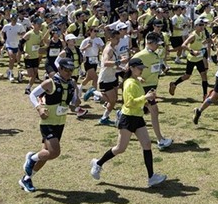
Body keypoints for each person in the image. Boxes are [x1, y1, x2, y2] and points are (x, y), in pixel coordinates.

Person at [90, 57, 167, 188]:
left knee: (147, 144)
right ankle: (98, 164)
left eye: (142, 68)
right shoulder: (130, 83)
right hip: (128, 118)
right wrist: (145, 97)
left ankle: (151, 177)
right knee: (120, 148)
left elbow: (137, 99)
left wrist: (147, 98)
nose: (141, 71)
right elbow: (129, 102)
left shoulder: (135, 80)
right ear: (131, 68)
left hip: (137, 117)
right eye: (139, 68)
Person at [20, 59, 78, 193]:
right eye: (66, 70)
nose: (69, 73)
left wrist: (76, 102)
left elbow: (73, 101)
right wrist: (39, 107)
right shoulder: (50, 83)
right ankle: (31, 158)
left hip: (60, 123)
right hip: (47, 123)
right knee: (54, 152)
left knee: (45, 155)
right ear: (60, 69)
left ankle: (27, 178)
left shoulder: (71, 84)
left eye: (71, 70)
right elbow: (33, 94)